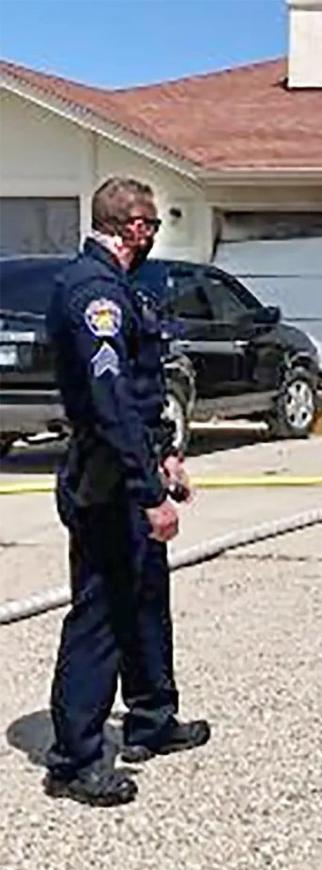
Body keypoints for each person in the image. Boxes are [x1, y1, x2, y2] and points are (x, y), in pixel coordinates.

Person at [43, 176, 209, 807]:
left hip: (135, 463)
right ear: (133, 226)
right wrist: (147, 493)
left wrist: (166, 453)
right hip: (108, 480)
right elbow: (109, 403)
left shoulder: (118, 287)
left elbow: (140, 392)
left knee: (143, 599)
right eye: (152, 227)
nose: (153, 238)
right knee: (102, 613)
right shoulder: (94, 294)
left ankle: (152, 720)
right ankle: (75, 760)